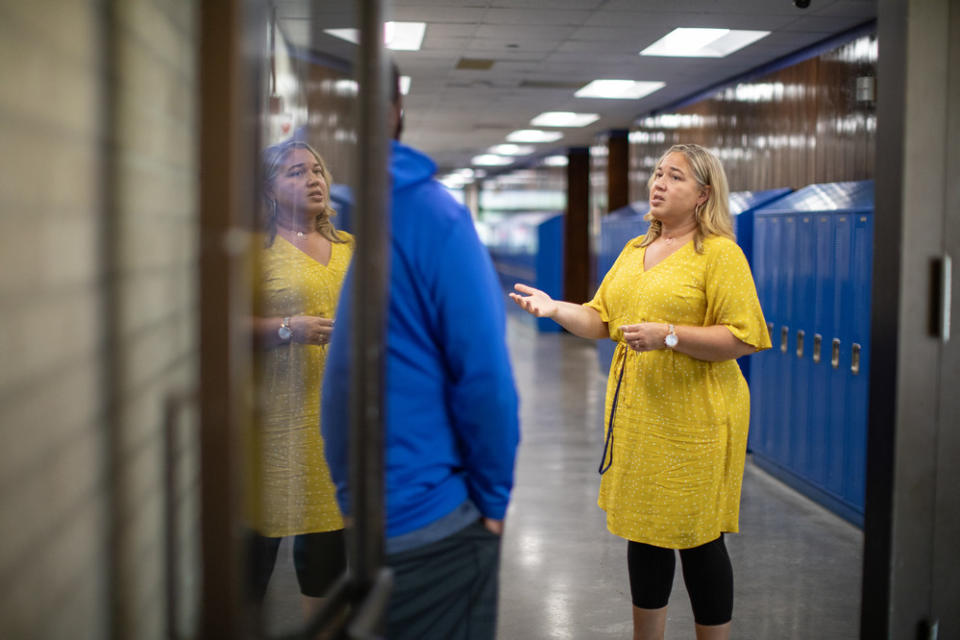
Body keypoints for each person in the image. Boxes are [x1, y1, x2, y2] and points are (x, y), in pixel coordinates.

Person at [510, 143, 771, 640]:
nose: (659, 183)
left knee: (698, 537)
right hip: (640, 416)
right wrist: (556, 308)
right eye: (657, 173)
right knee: (644, 532)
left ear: (702, 194)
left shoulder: (719, 254)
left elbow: (743, 336)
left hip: (697, 422)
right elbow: (602, 318)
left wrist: (669, 334)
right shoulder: (635, 252)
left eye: (675, 177)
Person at [321, 66, 520, 640]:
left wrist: (492, 501)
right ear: (397, 107)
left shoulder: (427, 216)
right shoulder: (370, 215)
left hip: (430, 518)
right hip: (385, 514)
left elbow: (485, 383)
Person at [248, 140, 354, 616]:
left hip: (337, 421)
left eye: (316, 170)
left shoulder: (349, 247)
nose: (313, 180)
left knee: (328, 554)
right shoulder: (253, 249)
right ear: (268, 187)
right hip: (269, 420)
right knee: (252, 553)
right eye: (295, 173)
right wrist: (287, 328)